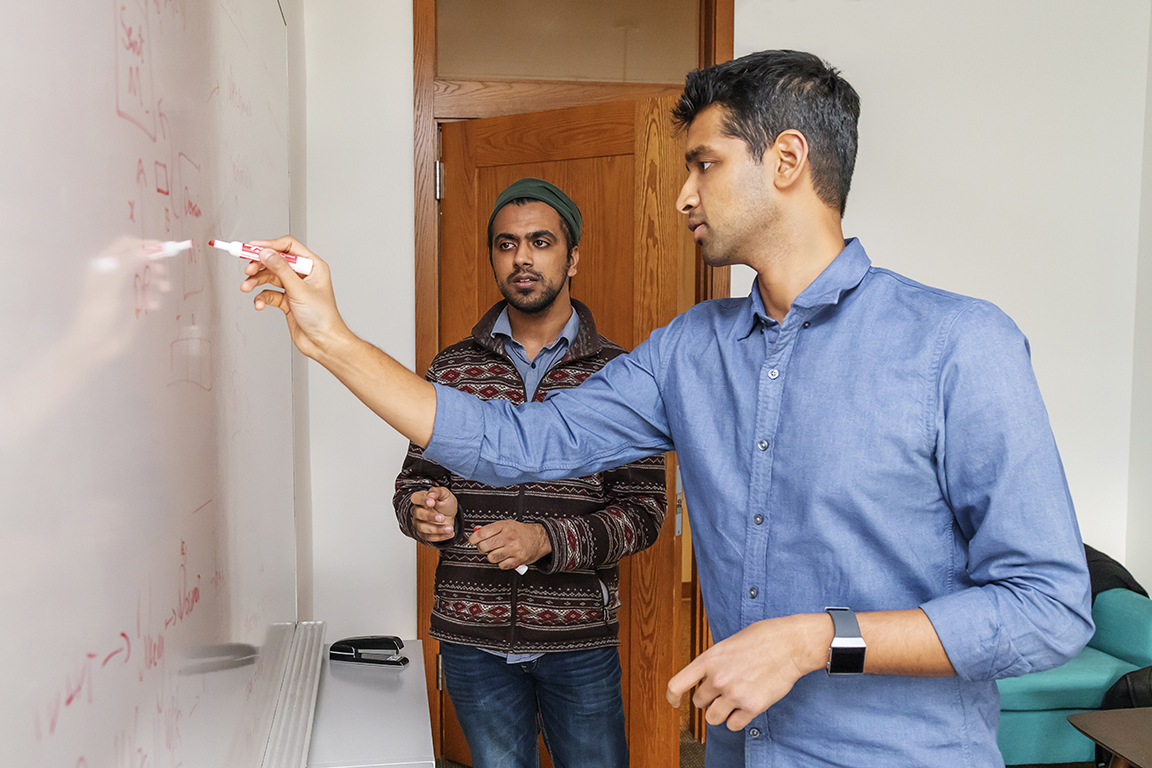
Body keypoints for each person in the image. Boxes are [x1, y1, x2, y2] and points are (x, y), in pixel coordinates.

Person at [240, 50, 1093, 767]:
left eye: (705, 164)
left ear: (787, 160)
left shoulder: (960, 345)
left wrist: (815, 639)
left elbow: (1049, 607)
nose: (684, 195)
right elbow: (522, 441)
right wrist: (330, 338)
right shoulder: (691, 349)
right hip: (741, 749)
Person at [393, 178, 667, 768]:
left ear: (573, 258)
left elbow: (645, 514)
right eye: (506, 243)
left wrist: (547, 540)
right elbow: (410, 485)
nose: (521, 257)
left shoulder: (619, 375)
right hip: (472, 638)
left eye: (540, 241)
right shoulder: (453, 367)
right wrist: (423, 511)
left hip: (578, 638)